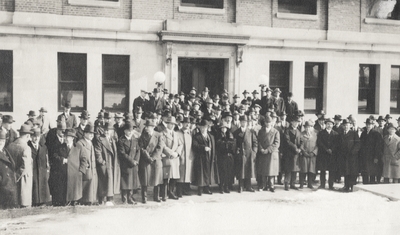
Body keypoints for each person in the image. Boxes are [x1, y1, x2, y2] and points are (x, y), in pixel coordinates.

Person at [53, 128, 84, 206]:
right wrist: (62, 160)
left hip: (75, 174)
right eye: (65, 136)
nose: (66, 138)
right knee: (65, 190)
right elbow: (54, 156)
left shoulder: (78, 147)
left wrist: (81, 171)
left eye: (68, 137)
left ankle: (74, 202)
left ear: (73, 138)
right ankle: (66, 202)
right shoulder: (60, 147)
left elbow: (84, 159)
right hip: (64, 174)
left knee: (75, 192)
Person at [7, 124, 33, 208]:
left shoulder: (10, 146)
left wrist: (12, 177)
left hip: (12, 180)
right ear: (28, 135)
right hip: (23, 181)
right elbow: (24, 167)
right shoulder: (26, 148)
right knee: (24, 205)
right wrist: (16, 176)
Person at [95, 123, 120, 206]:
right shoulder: (100, 139)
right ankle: (101, 200)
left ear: (112, 131)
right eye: (105, 130)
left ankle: (110, 199)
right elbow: (97, 151)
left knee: (110, 181)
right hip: (105, 164)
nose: (106, 132)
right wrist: (101, 161)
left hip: (112, 164)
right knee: (103, 182)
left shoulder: (113, 140)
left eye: (108, 130)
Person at [139, 119, 164, 202]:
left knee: (156, 179)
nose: (146, 128)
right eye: (145, 126)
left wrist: (153, 158)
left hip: (156, 160)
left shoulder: (159, 135)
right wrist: (148, 158)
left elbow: (160, 148)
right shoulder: (143, 136)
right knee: (144, 180)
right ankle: (144, 197)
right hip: (145, 160)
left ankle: (156, 197)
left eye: (148, 126)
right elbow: (141, 148)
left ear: (153, 127)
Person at [192, 119, 219, 196]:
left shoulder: (211, 136)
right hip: (200, 157)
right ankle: (200, 189)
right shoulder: (196, 136)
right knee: (201, 173)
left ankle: (207, 188)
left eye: (205, 127)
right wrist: (203, 148)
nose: (204, 129)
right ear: (199, 128)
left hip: (209, 157)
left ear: (207, 127)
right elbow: (195, 146)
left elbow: (214, 146)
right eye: (202, 127)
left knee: (208, 172)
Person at [159, 116, 182, 201]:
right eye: (170, 124)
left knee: (174, 177)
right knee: (165, 177)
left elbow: (180, 145)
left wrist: (177, 153)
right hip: (166, 157)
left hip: (175, 158)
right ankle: (164, 194)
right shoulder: (162, 133)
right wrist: (170, 153)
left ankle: (171, 192)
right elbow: (162, 145)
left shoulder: (176, 134)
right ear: (166, 124)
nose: (171, 125)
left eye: (173, 124)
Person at [233, 115, 258, 193]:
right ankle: (240, 186)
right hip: (240, 154)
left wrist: (254, 151)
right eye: (242, 122)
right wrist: (236, 151)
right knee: (241, 171)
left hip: (249, 154)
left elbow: (255, 142)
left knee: (248, 171)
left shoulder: (251, 132)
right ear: (240, 122)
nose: (243, 123)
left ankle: (248, 186)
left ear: (247, 123)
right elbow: (234, 143)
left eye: (245, 122)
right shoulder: (236, 132)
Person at [118, 121, 140, 204]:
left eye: (131, 130)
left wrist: (136, 161)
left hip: (134, 165)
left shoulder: (135, 139)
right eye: (128, 130)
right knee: (125, 182)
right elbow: (122, 153)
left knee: (132, 182)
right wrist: (132, 161)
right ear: (125, 131)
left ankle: (130, 198)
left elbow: (138, 151)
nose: (130, 132)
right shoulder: (121, 140)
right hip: (126, 164)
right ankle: (124, 199)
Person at [256, 115, 280, 192]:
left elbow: (277, 143)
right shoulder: (261, 131)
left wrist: (268, 150)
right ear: (265, 123)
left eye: (269, 122)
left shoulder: (276, 132)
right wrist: (261, 149)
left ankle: (271, 186)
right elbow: (258, 141)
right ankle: (263, 185)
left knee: (271, 170)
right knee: (264, 170)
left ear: (272, 122)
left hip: (271, 153)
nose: (268, 124)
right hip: (263, 153)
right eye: (266, 122)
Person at [28, 128, 50, 206]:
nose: (36, 138)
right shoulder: (28, 147)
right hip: (33, 171)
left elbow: (46, 161)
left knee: (42, 185)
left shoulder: (44, 148)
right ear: (31, 136)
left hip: (42, 171)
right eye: (34, 136)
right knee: (35, 186)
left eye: (38, 136)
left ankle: (43, 201)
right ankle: (35, 201)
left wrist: (46, 171)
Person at [46, 120, 67, 206]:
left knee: (63, 184)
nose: (63, 132)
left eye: (64, 131)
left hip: (64, 168)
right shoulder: (52, 140)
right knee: (56, 184)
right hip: (56, 167)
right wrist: (62, 159)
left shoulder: (65, 140)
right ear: (57, 130)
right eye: (61, 130)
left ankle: (63, 202)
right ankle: (56, 202)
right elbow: (52, 154)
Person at [77, 123, 99, 205]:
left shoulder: (91, 143)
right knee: (86, 186)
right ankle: (85, 201)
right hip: (86, 170)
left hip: (92, 170)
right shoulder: (80, 143)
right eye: (90, 133)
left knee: (92, 185)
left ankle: (92, 200)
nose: (91, 135)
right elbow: (78, 157)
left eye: (92, 134)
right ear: (85, 133)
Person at [338, 119, 361, 192]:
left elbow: (358, 144)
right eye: (344, 125)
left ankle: (352, 187)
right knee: (346, 171)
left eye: (347, 125)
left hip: (352, 156)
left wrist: (353, 152)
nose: (346, 127)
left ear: (350, 126)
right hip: (344, 156)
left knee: (352, 172)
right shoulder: (341, 134)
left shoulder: (354, 133)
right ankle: (346, 186)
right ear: (342, 126)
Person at [359, 118, 383, 184]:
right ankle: (365, 183)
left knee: (372, 172)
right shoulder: (363, 133)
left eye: (370, 124)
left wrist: (376, 157)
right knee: (365, 171)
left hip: (372, 156)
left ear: (373, 125)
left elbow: (378, 147)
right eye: (367, 124)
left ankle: (371, 185)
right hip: (364, 156)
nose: (368, 126)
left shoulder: (376, 134)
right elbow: (360, 144)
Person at [316, 118, 339, 189]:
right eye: (328, 124)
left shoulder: (336, 134)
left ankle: (331, 185)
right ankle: (322, 184)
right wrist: (326, 149)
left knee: (331, 170)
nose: (329, 125)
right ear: (325, 124)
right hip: (323, 154)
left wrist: (331, 149)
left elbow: (336, 144)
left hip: (332, 154)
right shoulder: (321, 133)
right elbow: (319, 143)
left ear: (333, 125)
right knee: (323, 170)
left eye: (331, 124)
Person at [215, 122, 236, 194]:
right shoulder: (218, 135)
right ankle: (221, 186)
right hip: (221, 156)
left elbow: (232, 144)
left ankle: (226, 186)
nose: (224, 129)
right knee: (222, 172)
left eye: (225, 128)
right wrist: (226, 143)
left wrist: (226, 143)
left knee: (228, 171)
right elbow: (218, 144)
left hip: (229, 155)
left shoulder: (229, 134)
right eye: (222, 128)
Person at [176, 117, 194, 197]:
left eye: (188, 123)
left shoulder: (190, 134)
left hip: (189, 157)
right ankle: (178, 191)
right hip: (181, 156)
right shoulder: (177, 133)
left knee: (187, 174)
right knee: (180, 174)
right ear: (182, 124)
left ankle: (186, 190)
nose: (187, 125)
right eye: (185, 123)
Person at [283, 116, 302, 191]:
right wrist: (295, 148)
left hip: (296, 153)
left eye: (297, 122)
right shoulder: (287, 130)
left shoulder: (298, 131)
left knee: (295, 169)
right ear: (291, 122)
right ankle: (286, 184)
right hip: (289, 153)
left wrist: (300, 148)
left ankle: (292, 184)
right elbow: (287, 141)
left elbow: (301, 140)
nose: (296, 124)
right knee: (288, 169)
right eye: (295, 122)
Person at [0, 130, 18, 209]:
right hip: (2, 185)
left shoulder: (5, 151)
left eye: (3, 140)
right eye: (0, 140)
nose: (1, 142)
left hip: (9, 185)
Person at [299, 121, 318, 189]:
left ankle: (310, 184)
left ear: (311, 128)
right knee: (303, 170)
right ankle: (301, 184)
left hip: (312, 155)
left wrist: (313, 153)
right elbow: (300, 144)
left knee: (311, 170)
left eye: (309, 127)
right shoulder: (301, 134)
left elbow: (317, 145)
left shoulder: (315, 135)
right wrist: (304, 152)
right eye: (306, 127)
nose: (308, 129)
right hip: (304, 155)